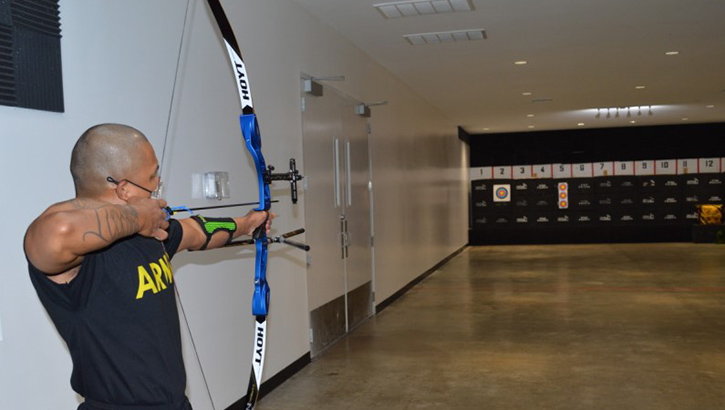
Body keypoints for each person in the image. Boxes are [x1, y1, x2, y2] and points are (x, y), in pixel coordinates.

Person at [24, 123, 271, 410]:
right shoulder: (78, 260)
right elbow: (54, 233)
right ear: (125, 189)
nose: (157, 185)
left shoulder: (150, 237)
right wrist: (137, 217)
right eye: (153, 176)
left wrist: (247, 223)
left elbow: (199, 231)